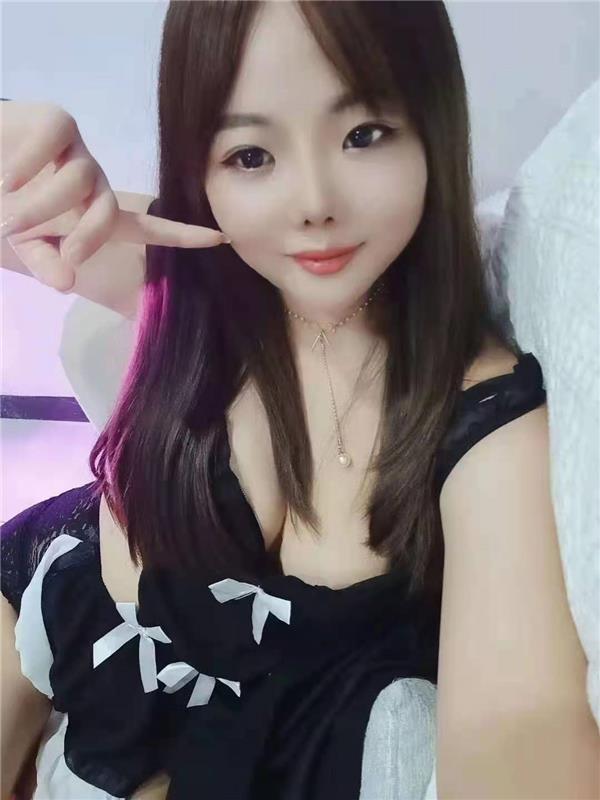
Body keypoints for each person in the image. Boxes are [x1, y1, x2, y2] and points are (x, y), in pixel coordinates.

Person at [3, 2, 581, 799]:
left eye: (364, 134)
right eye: (250, 155)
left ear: (432, 126)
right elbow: (25, 218)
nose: (313, 202)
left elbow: (524, 735)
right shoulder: (195, 275)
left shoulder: (487, 428)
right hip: (61, 598)